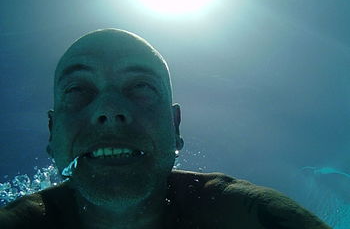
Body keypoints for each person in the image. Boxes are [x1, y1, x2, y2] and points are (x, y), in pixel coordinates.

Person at [0, 29, 331, 229]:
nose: (110, 110)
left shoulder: (242, 212)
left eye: (141, 88)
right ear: (52, 131)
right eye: (77, 90)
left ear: (174, 127)